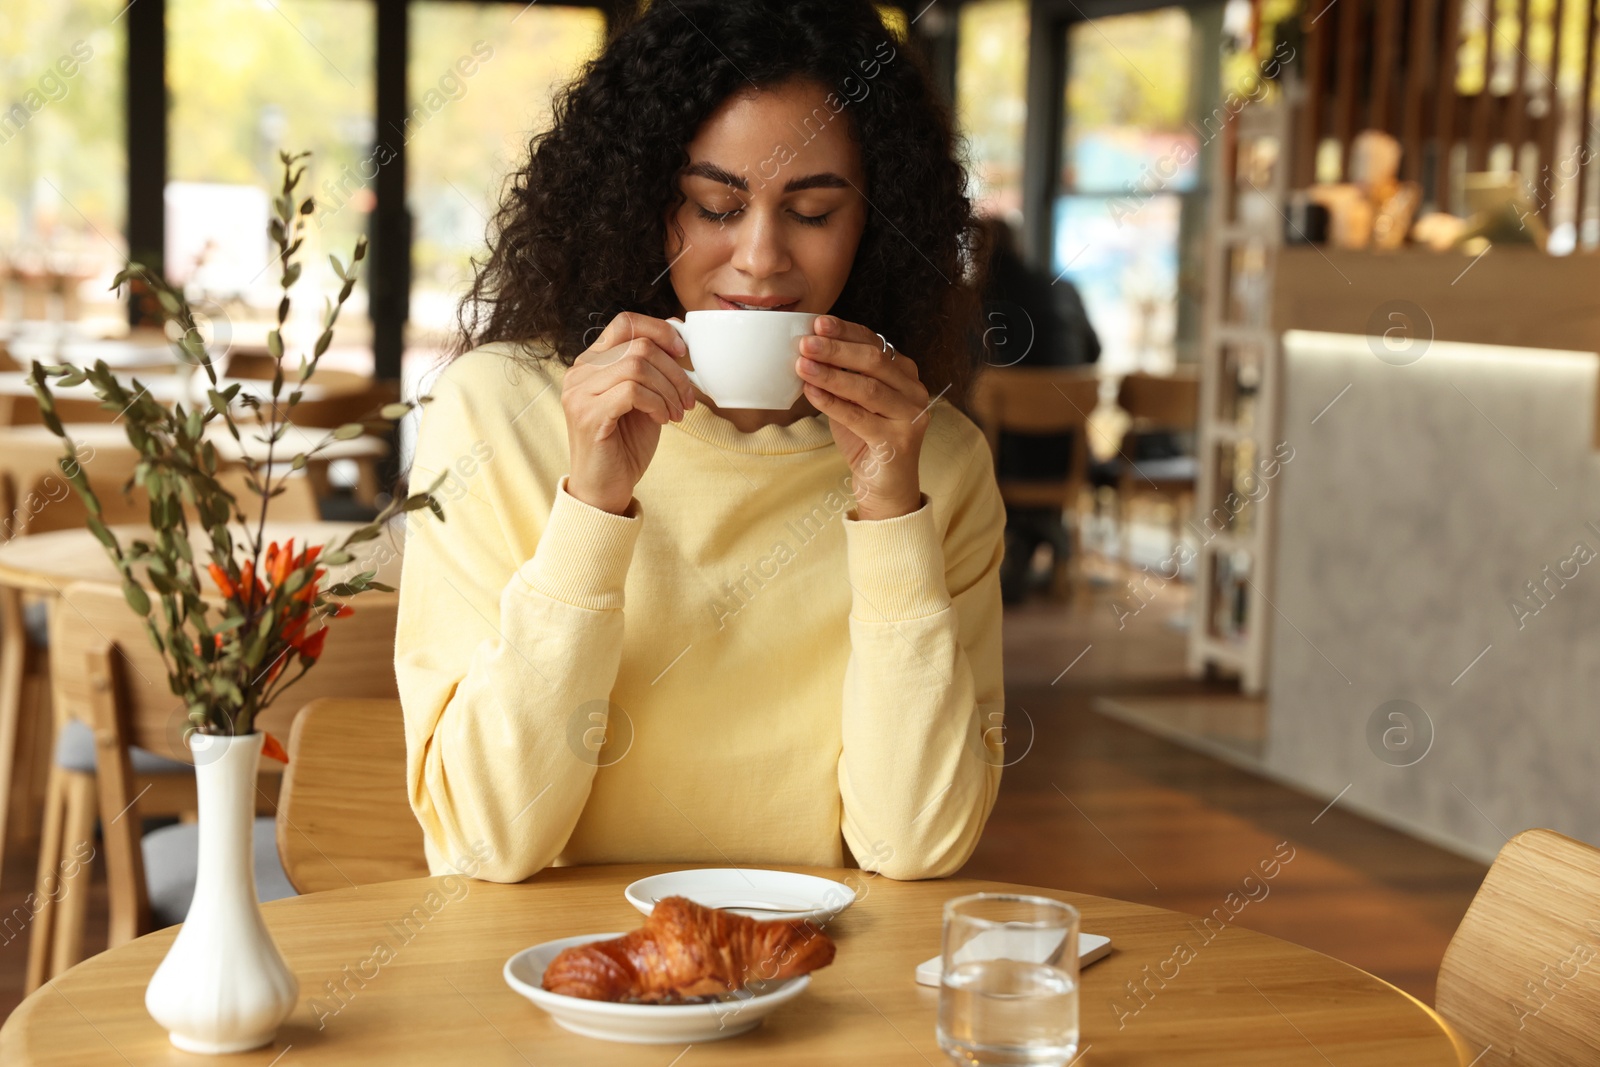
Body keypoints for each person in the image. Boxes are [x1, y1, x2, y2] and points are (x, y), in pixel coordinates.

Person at [394, 0, 1007, 884]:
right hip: (553, 982)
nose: (760, 258)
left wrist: (889, 510)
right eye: (716, 205)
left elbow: (915, 844)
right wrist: (592, 508)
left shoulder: (935, 459)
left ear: (872, 223)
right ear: (643, 201)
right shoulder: (498, 413)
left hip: (826, 986)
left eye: (813, 212)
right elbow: (483, 841)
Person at [972, 216, 1100, 604]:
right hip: (1068, 455)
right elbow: (1093, 353)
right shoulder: (1066, 289)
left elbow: (957, 371)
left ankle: (998, 554)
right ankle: (1038, 534)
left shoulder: (972, 300)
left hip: (997, 460)